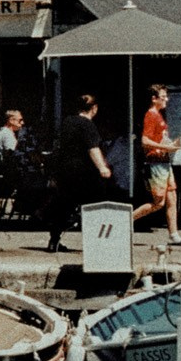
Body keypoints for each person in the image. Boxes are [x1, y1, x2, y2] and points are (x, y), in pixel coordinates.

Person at [46, 94, 113, 253]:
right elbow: (93, 149)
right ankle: (96, 241)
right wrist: (102, 168)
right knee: (95, 205)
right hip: (83, 172)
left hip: (65, 170)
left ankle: (54, 240)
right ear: (94, 108)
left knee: (64, 205)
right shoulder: (87, 125)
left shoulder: (68, 122)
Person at [131, 84, 181, 246]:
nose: (166, 100)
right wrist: (168, 147)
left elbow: (157, 139)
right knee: (159, 202)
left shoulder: (158, 115)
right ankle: (126, 222)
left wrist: (168, 144)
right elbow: (145, 141)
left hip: (163, 162)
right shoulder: (151, 115)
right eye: (163, 97)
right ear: (154, 99)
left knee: (172, 197)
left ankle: (174, 235)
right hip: (155, 162)